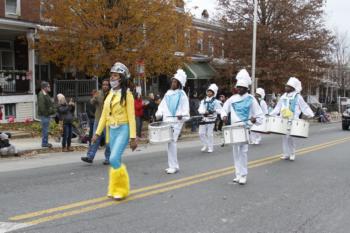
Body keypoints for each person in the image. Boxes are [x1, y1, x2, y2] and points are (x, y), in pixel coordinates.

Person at [92, 62, 137, 200]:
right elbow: (104, 116)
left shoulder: (127, 95)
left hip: (123, 129)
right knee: (114, 160)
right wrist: (97, 133)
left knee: (113, 158)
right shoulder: (110, 95)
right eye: (111, 75)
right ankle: (114, 187)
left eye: (115, 75)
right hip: (111, 131)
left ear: (122, 78)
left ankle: (122, 189)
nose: (112, 78)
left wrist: (133, 137)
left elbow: (131, 116)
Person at [222, 69, 264, 185]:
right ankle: (237, 174)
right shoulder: (232, 98)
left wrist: (255, 119)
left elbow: (260, 115)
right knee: (235, 152)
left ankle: (244, 174)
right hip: (234, 129)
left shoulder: (251, 99)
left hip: (245, 129)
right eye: (238, 87)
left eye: (241, 87)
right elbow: (224, 108)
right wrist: (224, 115)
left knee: (243, 152)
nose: (239, 89)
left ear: (246, 88)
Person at [270, 77, 314, 161]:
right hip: (283, 119)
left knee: (291, 137)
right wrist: (271, 114)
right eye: (286, 86)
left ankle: (292, 153)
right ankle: (286, 153)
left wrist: (310, 114)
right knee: (284, 137)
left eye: (288, 86)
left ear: (292, 88)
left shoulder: (298, 97)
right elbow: (278, 107)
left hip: (293, 120)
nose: (286, 88)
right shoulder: (283, 96)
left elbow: (304, 106)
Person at [155, 69, 190, 174]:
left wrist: (182, 116)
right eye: (172, 81)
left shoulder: (182, 94)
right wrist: (159, 113)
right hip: (167, 121)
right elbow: (162, 106)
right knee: (169, 143)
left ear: (179, 84)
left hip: (176, 122)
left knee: (172, 141)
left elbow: (186, 111)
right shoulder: (168, 93)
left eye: (175, 82)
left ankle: (173, 166)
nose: (173, 83)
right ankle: (173, 165)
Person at [81, 79, 111, 165]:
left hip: (108, 121)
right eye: (104, 84)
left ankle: (108, 158)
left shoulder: (112, 94)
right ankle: (90, 157)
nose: (105, 86)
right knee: (94, 138)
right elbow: (91, 102)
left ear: (109, 86)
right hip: (98, 119)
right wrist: (94, 98)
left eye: (106, 85)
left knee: (108, 141)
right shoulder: (99, 93)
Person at [198, 84, 224, 153]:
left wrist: (213, 111)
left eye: (211, 92)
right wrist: (204, 112)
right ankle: (205, 144)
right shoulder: (203, 101)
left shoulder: (216, 101)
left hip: (211, 119)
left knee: (209, 134)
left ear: (213, 93)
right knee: (201, 133)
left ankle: (210, 147)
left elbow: (220, 110)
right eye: (208, 91)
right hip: (204, 118)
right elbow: (200, 109)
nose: (209, 93)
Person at [37, 81, 55, 148]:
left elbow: (49, 104)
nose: (50, 87)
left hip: (46, 115)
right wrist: (49, 112)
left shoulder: (45, 94)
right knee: (45, 129)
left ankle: (45, 142)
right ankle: (44, 143)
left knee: (46, 129)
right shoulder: (41, 94)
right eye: (48, 86)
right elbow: (42, 107)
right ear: (44, 87)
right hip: (44, 115)